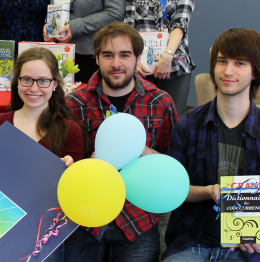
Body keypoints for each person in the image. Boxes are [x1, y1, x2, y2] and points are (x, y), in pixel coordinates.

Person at [64, 22, 177, 261]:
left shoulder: (161, 102)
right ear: (96, 58)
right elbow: (64, 162)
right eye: (108, 55)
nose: (116, 64)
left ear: (137, 58)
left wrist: (141, 151)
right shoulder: (74, 103)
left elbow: (172, 165)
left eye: (125, 55)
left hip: (137, 219)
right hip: (85, 216)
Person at [163, 28, 260, 262]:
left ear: (255, 72)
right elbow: (173, 189)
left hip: (245, 248)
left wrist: (251, 228)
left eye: (240, 63)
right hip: (192, 241)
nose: (228, 71)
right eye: (222, 61)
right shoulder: (188, 124)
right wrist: (207, 192)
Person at [124, 0, 195, 116]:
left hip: (175, 64)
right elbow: (129, 26)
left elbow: (181, 23)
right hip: (143, 66)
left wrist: (167, 56)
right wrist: (134, 59)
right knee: (141, 118)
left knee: (171, 120)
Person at [0, 47, 88, 163]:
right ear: (17, 82)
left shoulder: (70, 131)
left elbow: (74, 180)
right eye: (27, 79)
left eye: (43, 81)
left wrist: (70, 169)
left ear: (55, 84)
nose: (33, 89)